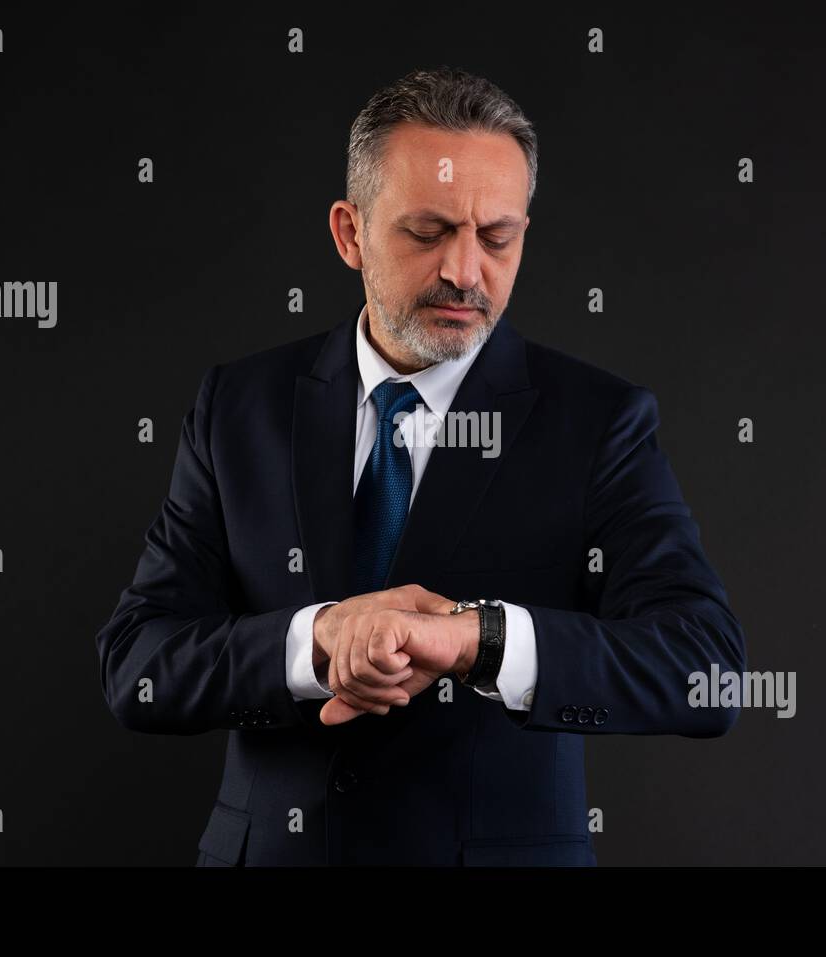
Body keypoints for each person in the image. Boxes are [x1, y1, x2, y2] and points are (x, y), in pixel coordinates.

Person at [94, 65, 746, 866]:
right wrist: (316, 642)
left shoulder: (600, 421)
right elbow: (137, 662)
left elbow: (705, 665)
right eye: (429, 232)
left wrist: (479, 641)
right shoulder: (240, 405)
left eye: (496, 237)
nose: (465, 272)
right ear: (349, 232)